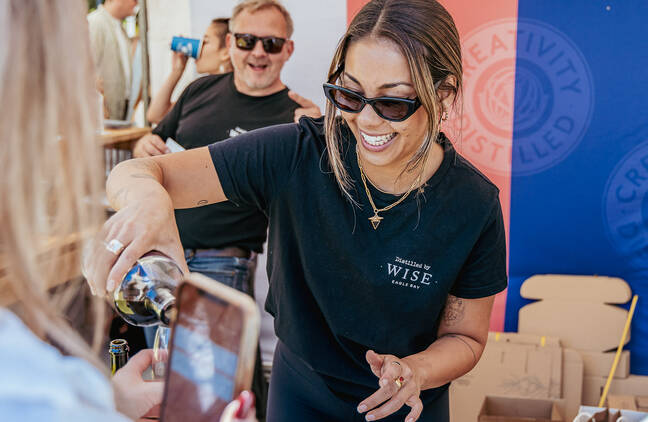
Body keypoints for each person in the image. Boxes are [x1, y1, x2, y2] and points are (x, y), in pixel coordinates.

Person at [85, 0, 506, 420]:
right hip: (300, 394)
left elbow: (465, 336)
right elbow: (138, 171)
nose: (367, 121)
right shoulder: (296, 153)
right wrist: (149, 204)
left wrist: (417, 370)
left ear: (444, 94)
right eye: (349, 94)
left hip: (407, 405)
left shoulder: (472, 203)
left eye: (393, 103)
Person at [0, 1, 257, 421]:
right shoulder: (42, 395)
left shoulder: (292, 117)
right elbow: (145, 146)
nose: (96, 89)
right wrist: (148, 186)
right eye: (83, 67)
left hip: (212, 259)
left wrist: (111, 402)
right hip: (163, 255)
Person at [133, 0, 321, 417]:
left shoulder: (297, 118)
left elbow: (314, 204)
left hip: (220, 268)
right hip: (159, 260)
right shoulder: (200, 90)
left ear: (288, 50)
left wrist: (316, 147)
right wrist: (144, 146)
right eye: (247, 40)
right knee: (157, 391)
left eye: (271, 43)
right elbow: (154, 143)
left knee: (205, 401)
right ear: (231, 43)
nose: (258, 52)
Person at [146, 18, 233, 125]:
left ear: (226, 52)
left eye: (205, 42)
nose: (198, 48)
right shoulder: (200, 89)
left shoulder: (235, 92)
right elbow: (156, 116)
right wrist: (177, 71)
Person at [88, 0, 138, 121]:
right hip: (100, 116)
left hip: (119, 113)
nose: (136, 4)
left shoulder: (121, 28)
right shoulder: (95, 23)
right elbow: (85, 70)